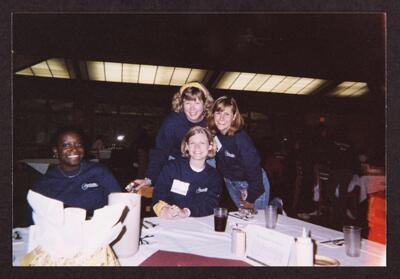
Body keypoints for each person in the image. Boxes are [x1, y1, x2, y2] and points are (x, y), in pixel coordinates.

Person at [128, 82, 214, 192]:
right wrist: (149, 179)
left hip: (204, 158)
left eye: (197, 103)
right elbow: (160, 151)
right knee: (177, 192)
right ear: (181, 104)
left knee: (204, 189)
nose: (192, 108)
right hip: (176, 158)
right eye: (187, 103)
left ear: (205, 103)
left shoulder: (211, 122)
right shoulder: (172, 122)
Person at [30, 127, 122, 221]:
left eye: (78, 145)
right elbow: (40, 217)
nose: (74, 149)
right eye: (66, 145)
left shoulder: (99, 171)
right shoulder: (46, 182)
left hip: (99, 228)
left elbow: (120, 202)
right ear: (56, 151)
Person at [208, 96, 271, 211]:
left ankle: (277, 208)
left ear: (234, 117)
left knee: (256, 223)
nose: (221, 118)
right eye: (218, 113)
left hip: (251, 184)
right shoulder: (215, 135)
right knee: (243, 220)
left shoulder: (240, 139)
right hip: (231, 183)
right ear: (213, 115)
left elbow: (254, 169)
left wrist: (251, 198)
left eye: (226, 114)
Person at [152, 126, 223, 218]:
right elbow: (158, 194)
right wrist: (162, 209)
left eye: (202, 143)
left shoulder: (214, 176)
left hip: (198, 222)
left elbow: (211, 204)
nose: (197, 147)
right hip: (170, 220)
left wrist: (187, 212)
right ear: (187, 146)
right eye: (192, 143)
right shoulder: (172, 168)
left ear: (210, 146)